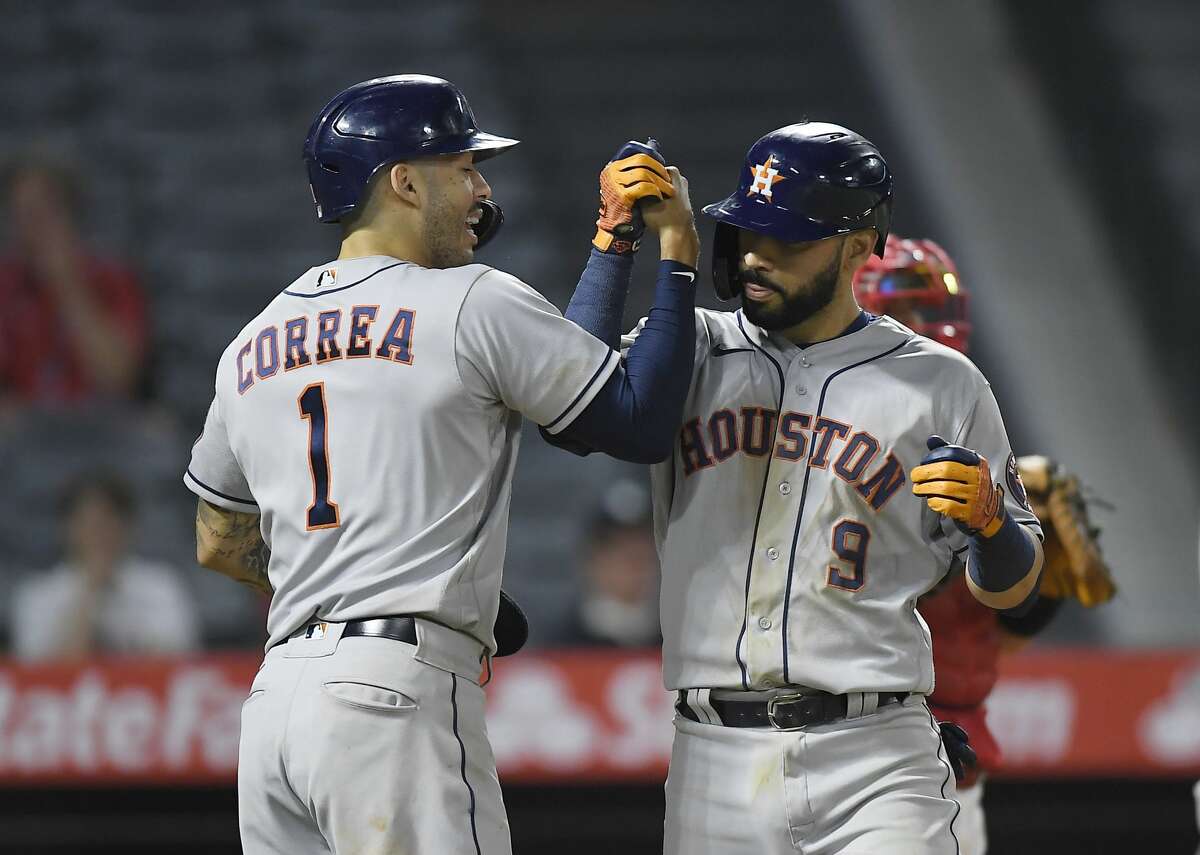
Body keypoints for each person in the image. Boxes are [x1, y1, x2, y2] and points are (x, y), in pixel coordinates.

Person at [182, 74, 700, 855]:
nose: (481, 187)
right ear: (404, 181)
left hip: (275, 711)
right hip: (392, 697)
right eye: (463, 167)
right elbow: (633, 418)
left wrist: (344, 584)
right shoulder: (467, 299)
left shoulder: (250, 344)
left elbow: (217, 539)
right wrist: (675, 254)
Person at [551, 121, 1045, 854]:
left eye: (788, 239)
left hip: (878, 751)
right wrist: (617, 240)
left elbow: (1016, 590)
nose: (756, 254)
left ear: (856, 246)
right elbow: (571, 405)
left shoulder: (940, 379)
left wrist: (995, 529)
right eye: (749, 232)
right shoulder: (693, 349)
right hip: (712, 755)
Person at [855, 234, 1118, 855]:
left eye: (931, 309)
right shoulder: (830, 425)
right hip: (859, 744)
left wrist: (1032, 561)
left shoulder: (972, 417)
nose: (928, 326)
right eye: (908, 310)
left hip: (952, 751)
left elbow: (996, 633)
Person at [0, 154, 147, 404]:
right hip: (25, 430)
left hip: (102, 425)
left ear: (69, 216)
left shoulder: (114, 280)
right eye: (20, 216)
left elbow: (117, 377)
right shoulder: (6, 283)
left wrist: (67, 286)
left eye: (39, 214)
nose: (30, 230)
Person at [11, 471, 200, 660]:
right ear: (67, 527)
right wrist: (90, 592)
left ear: (129, 526)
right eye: (88, 522)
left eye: (108, 521)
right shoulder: (36, 596)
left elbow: (178, 663)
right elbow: (40, 676)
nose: (98, 532)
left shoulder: (163, 587)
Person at [559, 478, 661, 648]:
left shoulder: (677, 638)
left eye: (643, 549)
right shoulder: (562, 646)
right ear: (594, 558)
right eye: (619, 549)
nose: (635, 563)